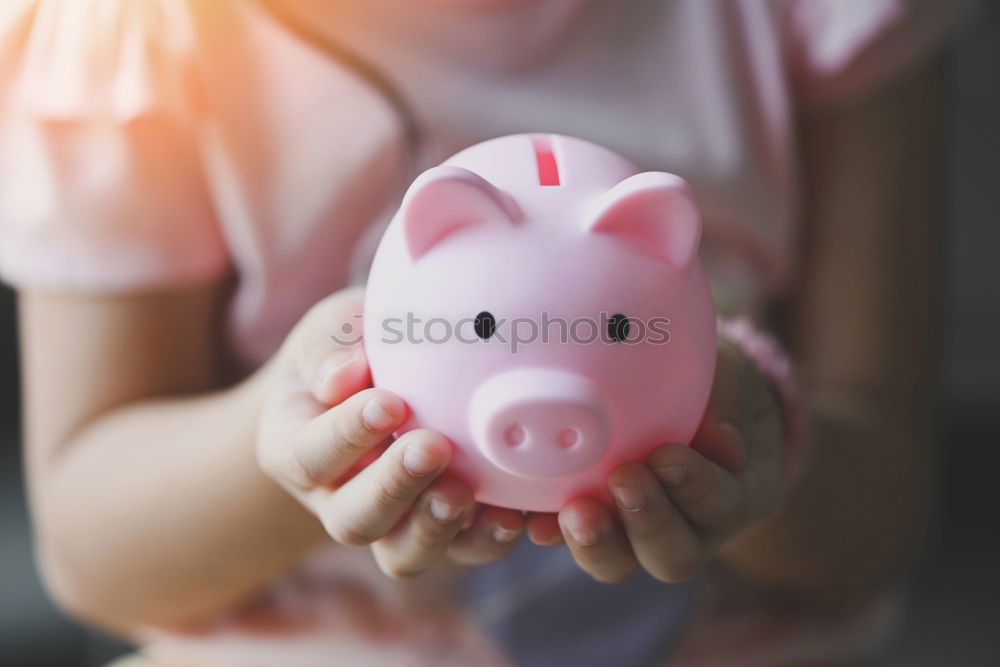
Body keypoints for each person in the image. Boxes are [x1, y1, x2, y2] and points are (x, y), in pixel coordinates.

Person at [0, 1, 971, 665]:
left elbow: (877, 518)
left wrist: (754, 451)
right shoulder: (131, 31)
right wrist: (299, 441)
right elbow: (94, 551)